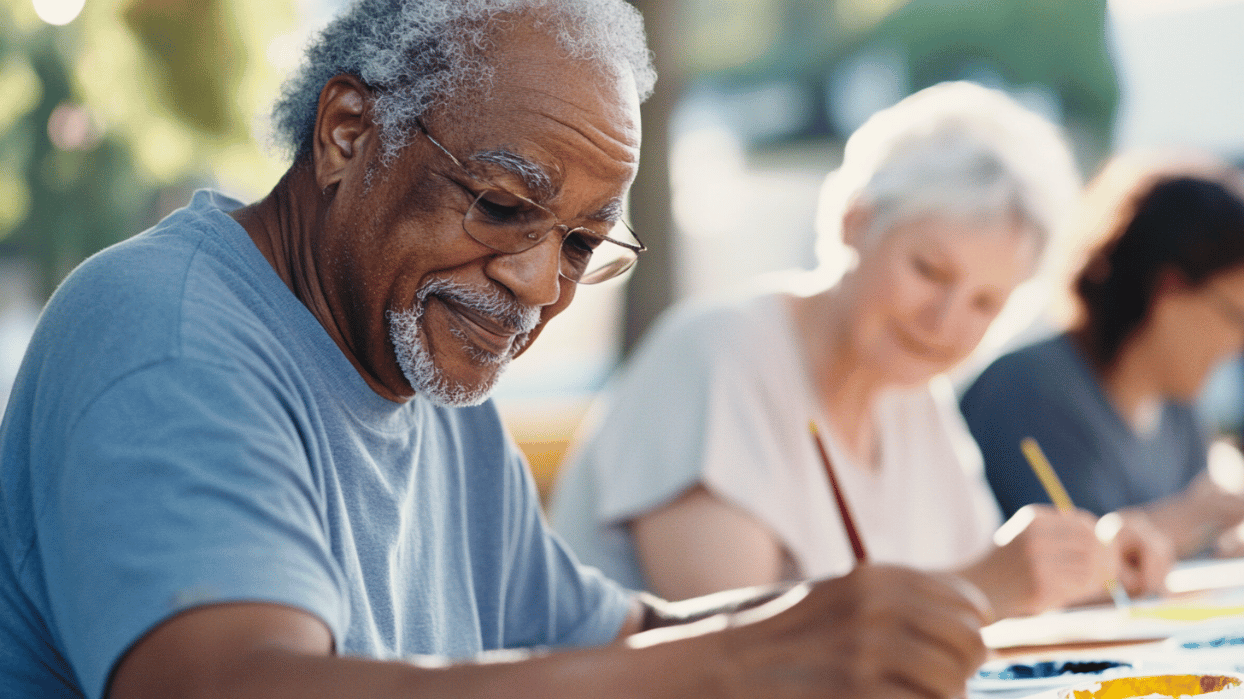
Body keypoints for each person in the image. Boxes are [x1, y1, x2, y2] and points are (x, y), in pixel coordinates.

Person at [0, 2, 994, 698]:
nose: (535, 283)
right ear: (346, 132)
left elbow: (618, 638)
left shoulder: (429, 374)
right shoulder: (168, 340)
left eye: (577, 244)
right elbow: (234, 687)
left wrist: (856, 623)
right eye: (500, 205)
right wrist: (740, 672)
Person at [550, 81, 1169, 620]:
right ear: (854, 221)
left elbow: (986, 586)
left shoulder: (911, 395)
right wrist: (982, 589)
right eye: (929, 270)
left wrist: (1083, 572)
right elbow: (731, 643)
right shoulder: (717, 355)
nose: (946, 321)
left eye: (986, 302)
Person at [961, 152, 1244, 560]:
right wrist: (1187, 520)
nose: (1238, 344)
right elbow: (1063, 571)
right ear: (1170, 291)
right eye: (1236, 316)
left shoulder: (1179, 411)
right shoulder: (1029, 391)